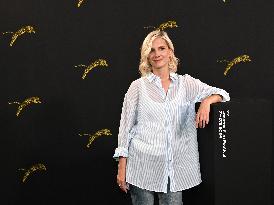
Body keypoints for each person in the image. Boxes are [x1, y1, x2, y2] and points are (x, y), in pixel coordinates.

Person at [113, 30, 230, 205]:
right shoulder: (137, 87)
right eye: (151, 50)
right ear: (146, 55)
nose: (157, 54)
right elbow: (125, 129)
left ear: (170, 52)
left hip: (172, 169)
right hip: (141, 165)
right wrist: (122, 168)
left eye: (161, 48)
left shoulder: (186, 84)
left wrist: (207, 102)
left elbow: (222, 93)